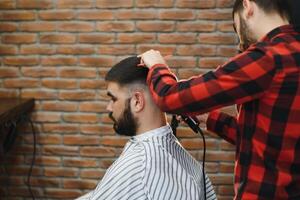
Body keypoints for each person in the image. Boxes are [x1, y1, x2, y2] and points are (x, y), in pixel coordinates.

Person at [140, 0, 300, 199]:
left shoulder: (269, 57)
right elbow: (271, 142)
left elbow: (169, 97)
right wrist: (211, 118)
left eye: (236, 27)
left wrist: (156, 65)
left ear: (247, 7)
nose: (240, 39)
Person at [76, 56, 217, 200]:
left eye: (113, 99)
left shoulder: (137, 167)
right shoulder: (191, 165)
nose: (109, 107)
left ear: (137, 101)